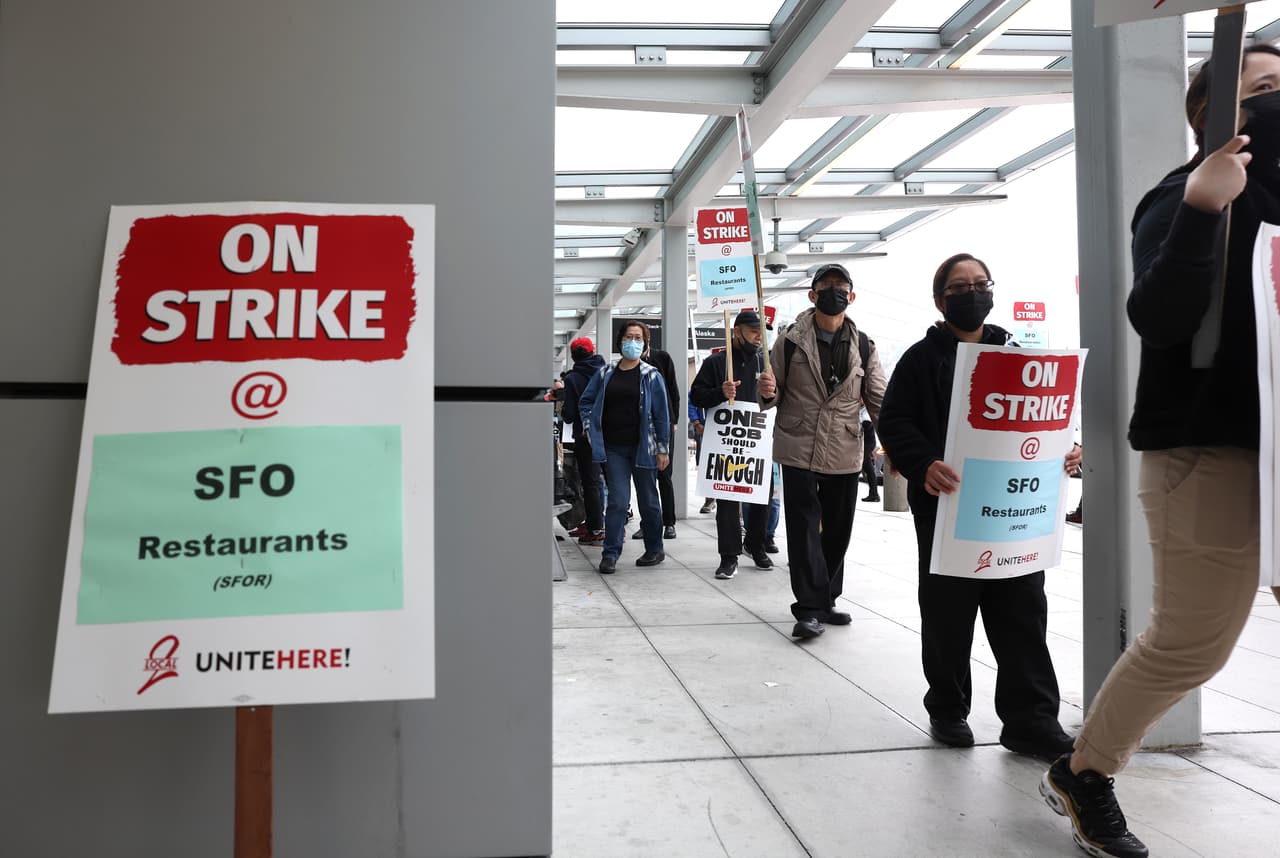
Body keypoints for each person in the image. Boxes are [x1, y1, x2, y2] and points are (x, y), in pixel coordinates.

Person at [1038, 46, 1280, 858]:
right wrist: (1207, 211)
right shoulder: (1183, 195)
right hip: (1206, 451)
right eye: (1266, 90)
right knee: (1193, 640)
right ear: (1214, 116)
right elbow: (1162, 317)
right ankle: (1085, 771)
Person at [877, 252, 1078, 767]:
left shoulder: (1015, 356)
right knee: (948, 613)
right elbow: (895, 420)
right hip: (948, 509)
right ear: (940, 300)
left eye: (980, 284)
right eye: (959, 286)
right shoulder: (920, 360)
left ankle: (1032, 720)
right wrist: (923, 462)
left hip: (1014, 514)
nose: (972, 293)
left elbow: (1039, 421)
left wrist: (1063, 451)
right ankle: (947, 707)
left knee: (1023, 611)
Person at [757, 263, 886, 639]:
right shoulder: (790, 340)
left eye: (841, 286)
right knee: (803, 529)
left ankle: (827, 598)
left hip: (845, 448)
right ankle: (809, 607)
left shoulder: (865, 345)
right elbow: (773, 391)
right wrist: (767, 392)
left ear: (852, 295)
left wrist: (892, 443)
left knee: (838, 529)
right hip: (798, 445)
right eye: (825, 286)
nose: (834, 291)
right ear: (812, 295)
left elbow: (877, 397)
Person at [579, 321, 671, 573]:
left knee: (649, 500)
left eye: (638, 338)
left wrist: (663, 448)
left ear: (645, 343)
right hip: (613, 448)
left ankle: (654, 548)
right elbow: (585, 402)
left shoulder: (651, 375)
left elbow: (662, 414)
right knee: (618, 501)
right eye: (629, 336)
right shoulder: (605, 373)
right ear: (620, 341)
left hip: (645, 447)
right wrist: (590, 428)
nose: (633, 341)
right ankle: (610, 554)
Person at [689, 309, 774, 579]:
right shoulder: (717, 363)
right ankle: (729, 556)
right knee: (727, 500)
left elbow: (777, 400)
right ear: (737, 331)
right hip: (726, 443)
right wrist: (720, 393)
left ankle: (756, 546)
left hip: (757, 441)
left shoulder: (766, 363)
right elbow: (697, 396)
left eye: (762, 332)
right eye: (753, 331)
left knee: (762, 497)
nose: (759, 337)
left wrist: (772, 392)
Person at [561, 337, 606, 545]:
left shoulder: (573, 378)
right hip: (609, 433)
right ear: (592, 351)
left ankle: (596, 528)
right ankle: (596, 523)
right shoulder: (605, 371)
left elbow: (569, 414)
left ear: (573, 356)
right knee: (606, 481)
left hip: (584, 436)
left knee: (590, 482)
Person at [635, 342, 681, 540]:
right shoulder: (630, 364)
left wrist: (674, 420)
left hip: (663, 423)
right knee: (644, 478)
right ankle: (647, 523)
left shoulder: (662, 358)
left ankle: (669, 522)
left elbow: (673, 390)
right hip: (640, 426)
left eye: (639, 338)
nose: (634, 342)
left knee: (664, 474)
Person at [689, 401, 715, 514]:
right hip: (707, 427)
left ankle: (733, 506)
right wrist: (697, 422)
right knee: (708, 466)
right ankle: (709, 499)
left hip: (728, 425)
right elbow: (691, 399)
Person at [861, 409, 880, 503]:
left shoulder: (865, 411)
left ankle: (874, 494)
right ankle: (874, 494)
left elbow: (867, 425)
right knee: (868, 468)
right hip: (865, 443)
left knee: (867, 468)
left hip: (867, 443)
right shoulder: (861, 410)